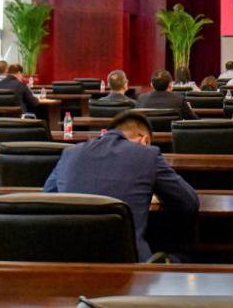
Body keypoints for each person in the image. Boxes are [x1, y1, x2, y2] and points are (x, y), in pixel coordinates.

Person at [44, 111, 199, 262]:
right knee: (187, 258)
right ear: (144, 140)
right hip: (130, 268)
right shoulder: (148, 154)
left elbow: (48, 198)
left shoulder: (70, 153)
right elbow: (189, 202)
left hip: (69, 262)